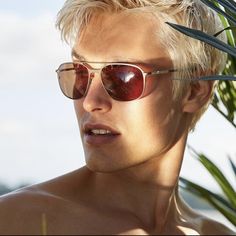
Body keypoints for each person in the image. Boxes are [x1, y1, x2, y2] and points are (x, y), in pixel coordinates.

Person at [0, 0, 235, 235]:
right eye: (81, 74)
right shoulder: (16, 220)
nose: (90, 102)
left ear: (194, 90)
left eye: (124, 77)